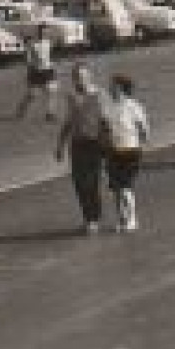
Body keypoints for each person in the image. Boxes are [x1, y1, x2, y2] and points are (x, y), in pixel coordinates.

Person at [56, 63, 109, 235]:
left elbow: (107, 120)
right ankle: (89, 219)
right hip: (77, 144)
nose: (80, 80)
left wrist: (109, 143)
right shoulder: (72, 97)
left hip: (95, 143)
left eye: (83, 76)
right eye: (76, 77)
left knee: (92, 182)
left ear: (90, 76)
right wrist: (60, 145)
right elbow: (68, 122)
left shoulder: (100, 95)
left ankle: (94, 219)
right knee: (79, 183)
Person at [101, 74, 150, 233]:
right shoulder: (108, 105)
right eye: (110, 85)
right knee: (116, 189)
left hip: (131, 150)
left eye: (113, 85)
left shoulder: (133, 106)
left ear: (121, 88)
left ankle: (132, 219)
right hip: (113, 151)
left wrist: (142, 142)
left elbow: (143, 128)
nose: (110, 88)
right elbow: (105, 126)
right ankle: (121, 220)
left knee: (125, 187)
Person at [15, 25, 59, 121]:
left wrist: (53, 64)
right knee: (32, 95)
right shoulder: (33, 44)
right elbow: (28, 57)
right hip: (36, 71)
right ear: (39, 32)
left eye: (47, 32)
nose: (45, 34)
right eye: (43, 32)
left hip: (48, 70)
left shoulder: (49, 42)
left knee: (51, 91)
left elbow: (50, 55)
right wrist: (30, 64)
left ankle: (50, 113)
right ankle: (21, 110)